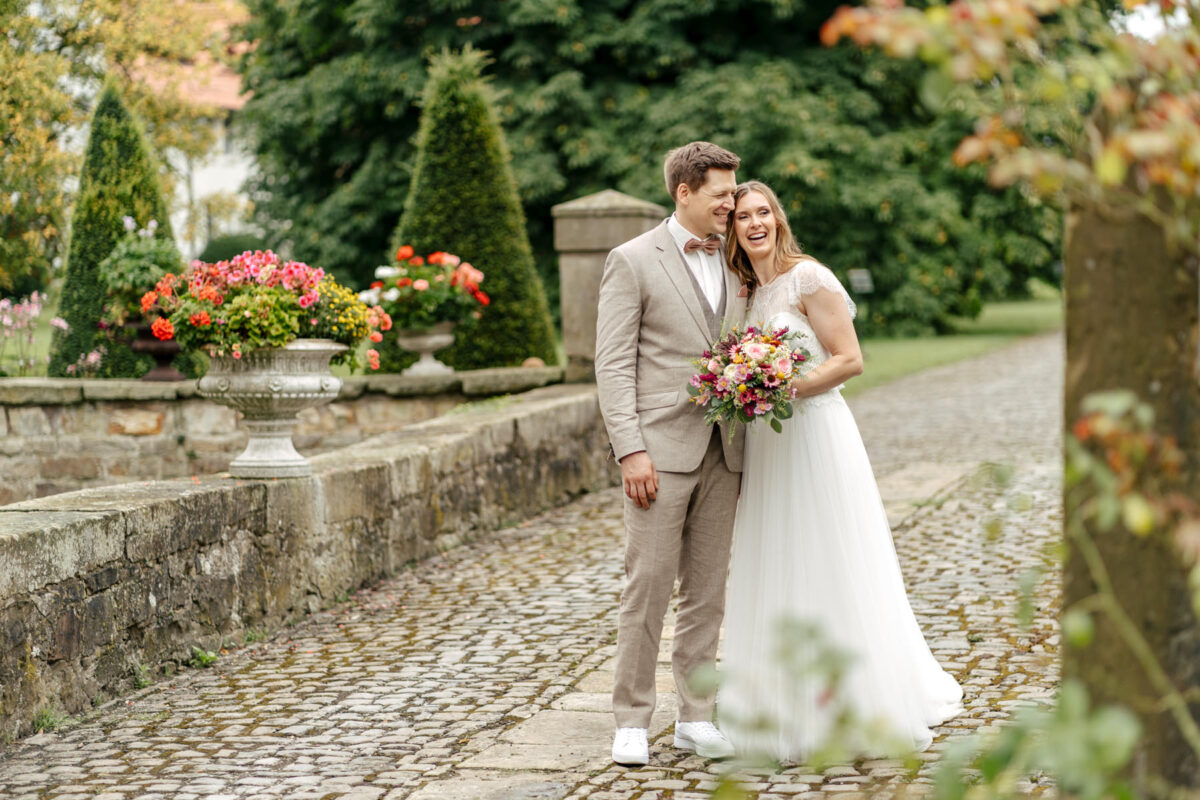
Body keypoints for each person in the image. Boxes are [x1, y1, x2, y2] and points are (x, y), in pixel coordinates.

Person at [717, 180, 964, 761]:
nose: (754, 224)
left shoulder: (809, 277)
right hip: (770, 445)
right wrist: (750, 389)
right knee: (777, 554)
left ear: (778, 220)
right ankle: (775, 699)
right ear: (731, 230)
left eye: (763, 213)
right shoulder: (747, 292)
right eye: (742, 217)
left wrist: (782, 386)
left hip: (816, 434)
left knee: (829, 552)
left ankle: (856, 700)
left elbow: (850, 360)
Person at [595, 142, 748, 766]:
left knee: (708, 592)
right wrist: (631, 450)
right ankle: (631, 718)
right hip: (658, 452)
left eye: (734, 193)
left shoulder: (740, 261)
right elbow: (612, 363)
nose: (731, 204)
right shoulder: (631, 260)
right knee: (649, 586)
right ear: (684, 192)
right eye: (721, 194)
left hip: (728, 450)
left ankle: (696, 717)